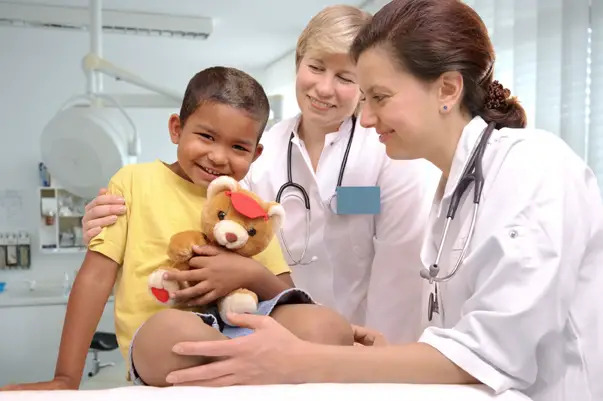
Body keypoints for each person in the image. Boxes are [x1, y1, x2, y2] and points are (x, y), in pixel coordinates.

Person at [150, 1, 603, 400]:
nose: (364, 118)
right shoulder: (453, 189)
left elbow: (492, 353)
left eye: (378, 97)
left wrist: (306, 361)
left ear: (447, 89)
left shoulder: (534, 168)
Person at [80, 5, 439, 344]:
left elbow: (399, 280)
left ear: (365, 86)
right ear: (299, 61)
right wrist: (112, 228)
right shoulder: (252, 153)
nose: (325, 88)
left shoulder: (391, 156)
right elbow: (205, 223)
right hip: (278, 336)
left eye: (345, 77)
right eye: (316, 67)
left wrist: (375, 361)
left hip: (366, 340)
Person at [0, 67, 353, 391]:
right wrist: (65, 377)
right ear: (176, 129)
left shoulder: (249, 206)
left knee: (329, 327)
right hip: (164, 340)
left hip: (243, 331)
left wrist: (246, 273)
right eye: (206, 136)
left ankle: (246, 368)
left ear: (255, 154)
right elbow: (95, 279)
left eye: (238, 147)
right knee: (175, 330)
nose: (218, 156)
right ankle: (258, 369)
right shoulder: (133, 182)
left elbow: (281, 294)